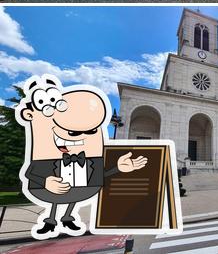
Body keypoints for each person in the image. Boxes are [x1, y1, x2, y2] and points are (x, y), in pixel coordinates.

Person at [17, 75, 147, 239]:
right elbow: (31, 173)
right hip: (59, 186)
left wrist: (118, 168)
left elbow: (100, 175)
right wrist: (45, 181)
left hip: (80, 187)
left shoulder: (90, 161)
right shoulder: (48, 158)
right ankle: (51, 220)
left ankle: (67, 217)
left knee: (73, 194)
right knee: (60, 194)